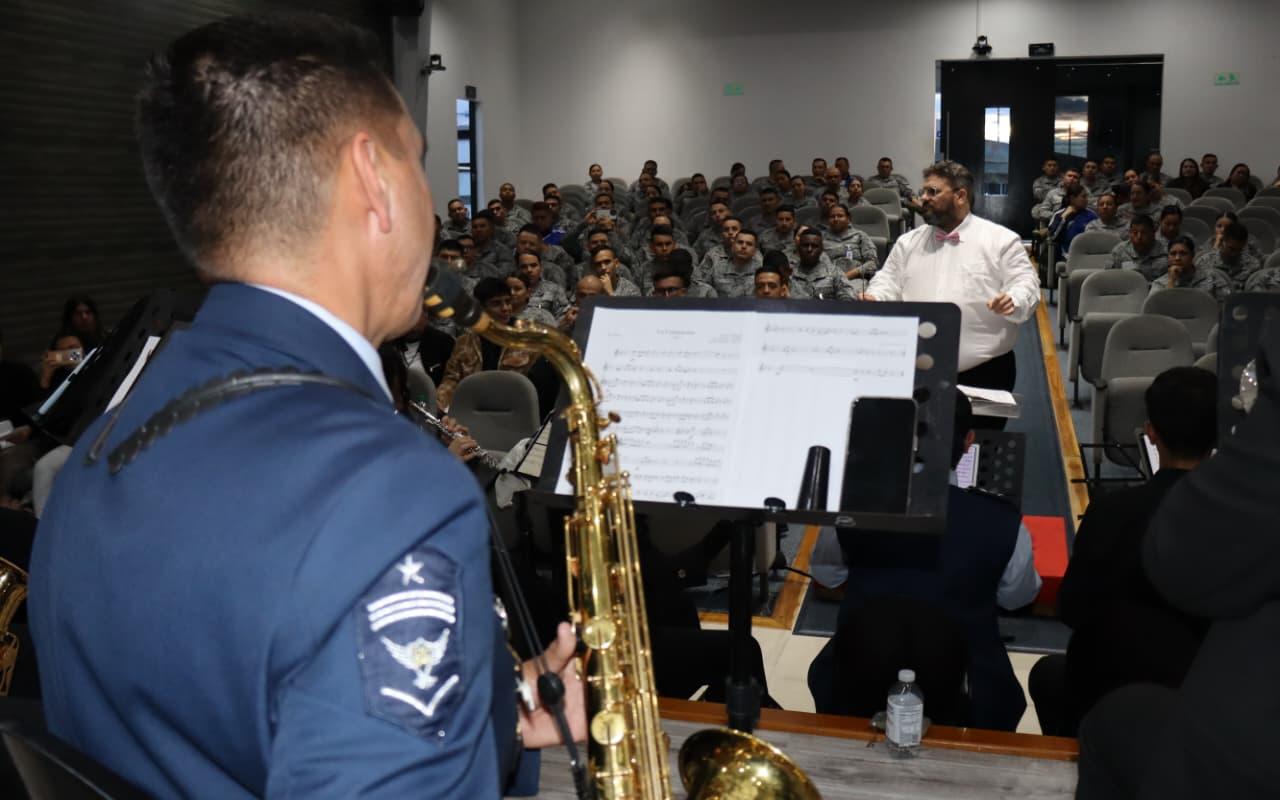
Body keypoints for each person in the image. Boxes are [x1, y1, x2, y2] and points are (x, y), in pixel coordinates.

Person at [29, 14, 585, 799]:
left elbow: (224, 698)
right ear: (374, 181)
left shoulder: (105, 437)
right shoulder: (394, 496)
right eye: (421, 166)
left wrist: (490, 704)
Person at [1076, 325, 1280, 799]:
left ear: (1151, 433)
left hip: (1243, 744)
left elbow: (1181, 567)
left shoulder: (1118, 513)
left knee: (1117, 720)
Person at [808, 391, 1040, 731]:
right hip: (969, 689)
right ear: (968, 442)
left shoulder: (855, 508)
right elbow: (1017, 597)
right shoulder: (1002, 521)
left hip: (859, 672)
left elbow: (826, 576)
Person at [1030, 367, 1215, 738]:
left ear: (1151, 432)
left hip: (1105, 689)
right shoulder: (1241, 521)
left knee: (1046, 674)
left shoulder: (1110, 510)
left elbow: (1072, 609)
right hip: (1205, 695)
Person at [863, 161, 1039, 410]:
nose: (923, 198)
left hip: (984, 371)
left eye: (932, 192)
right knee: (917, 443)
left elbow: (1026, 283)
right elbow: (887, 281)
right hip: (916, 369)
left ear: (960, 196)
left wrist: (1014, 299)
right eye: (923, 192)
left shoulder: (1001, 240)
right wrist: (875, 297)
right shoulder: (907, 243)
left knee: (976, 445)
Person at [1149, 236, 1231, 301]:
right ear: (1168, 257)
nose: (1177, 258)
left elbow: (1226, 304)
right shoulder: (1159, 284)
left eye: (1183, 253)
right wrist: (1171, 282)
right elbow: (1159, 312)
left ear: (1192, 255)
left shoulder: (1212, 277)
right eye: (1173, 254)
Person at [821, 204, 878, 290]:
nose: (836, 219)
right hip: (828, 280)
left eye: (840, 216)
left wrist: (848, 275)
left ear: (848, 219)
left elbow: (872, 263)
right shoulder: (821, 238)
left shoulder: (860, 236)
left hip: (855, 280)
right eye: (832, 216)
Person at [1194, 220, 1261, 290]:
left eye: (1240, 250)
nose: (1235, 254)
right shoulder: (1204, 262)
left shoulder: (1253, 265)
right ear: (1222, 242)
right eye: (1231, 249)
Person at [788, 229, 853, 300]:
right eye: (805, 245)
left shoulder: (834, 272)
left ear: (821, 249)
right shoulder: (789, 274)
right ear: (798, 248)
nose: (809, 249)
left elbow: (848, 300)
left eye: (814, 246)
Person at [1109, 216, 1168, 282]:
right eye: (1135, 233)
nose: (1139, 237)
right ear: (1130, 234)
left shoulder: (1166, 251)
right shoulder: (1120, 251)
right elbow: (1110, 278)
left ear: (1153, 233)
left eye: (1144, 233)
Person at [1047, 184, 1098, 259]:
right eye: (1083, 197)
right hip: (1066, 256)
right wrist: (1064, 216)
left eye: (1087, 196)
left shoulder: (1092, 215)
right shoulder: (1059, 214)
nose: (1087, 199)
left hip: (1089, 255)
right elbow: (1052, 237)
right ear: (1072, 198)